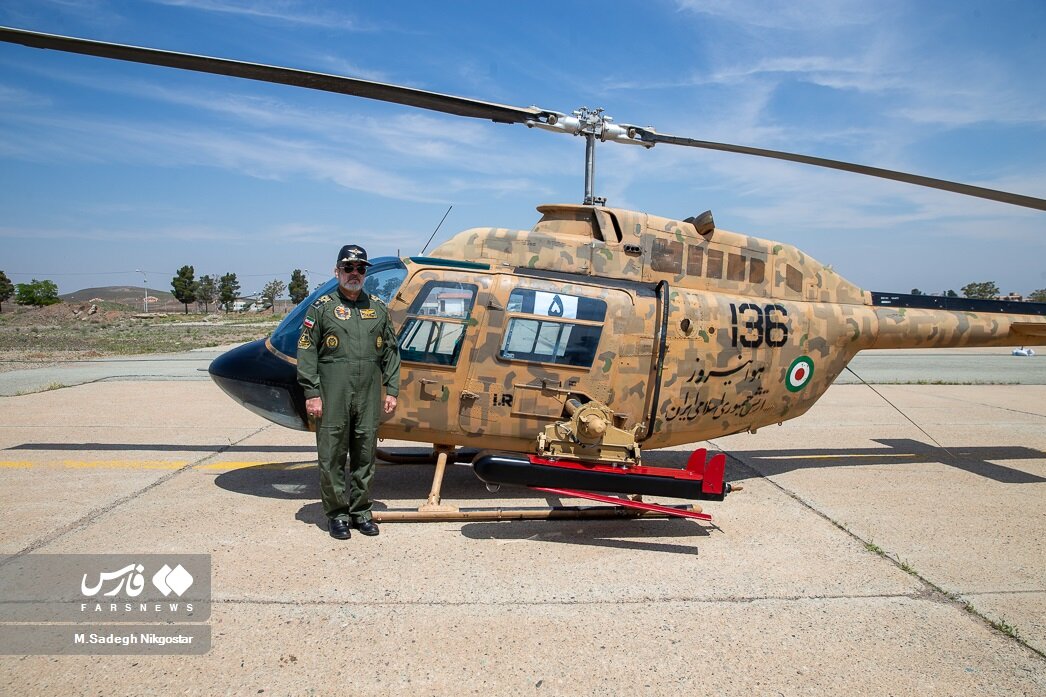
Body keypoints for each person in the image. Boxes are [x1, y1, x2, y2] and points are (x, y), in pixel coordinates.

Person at [296, 244, 401, 539]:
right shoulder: (323, 308)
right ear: (337, 272)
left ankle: (361, 512)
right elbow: (306, 351)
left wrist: (391, 389)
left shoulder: (378, 308)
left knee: (365, 453)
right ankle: (337, 514)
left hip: (367, 393)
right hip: (333, 392)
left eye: (360, 269)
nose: (354, 274)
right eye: (348, 268)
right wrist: (312, 392)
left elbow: (391, 352)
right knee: (331, 455)